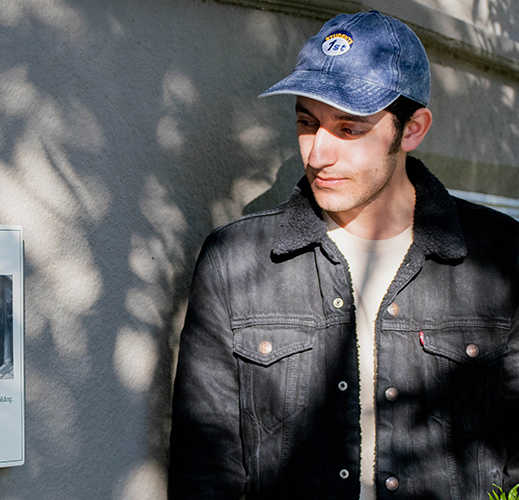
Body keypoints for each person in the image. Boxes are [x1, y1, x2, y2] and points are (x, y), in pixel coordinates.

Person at [168, 10, 519, 499]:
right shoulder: (235, 261)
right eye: (307, 122)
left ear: (412, 129)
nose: (317, 154)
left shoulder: (502, 256)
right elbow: (202, 470)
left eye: (349, 129)